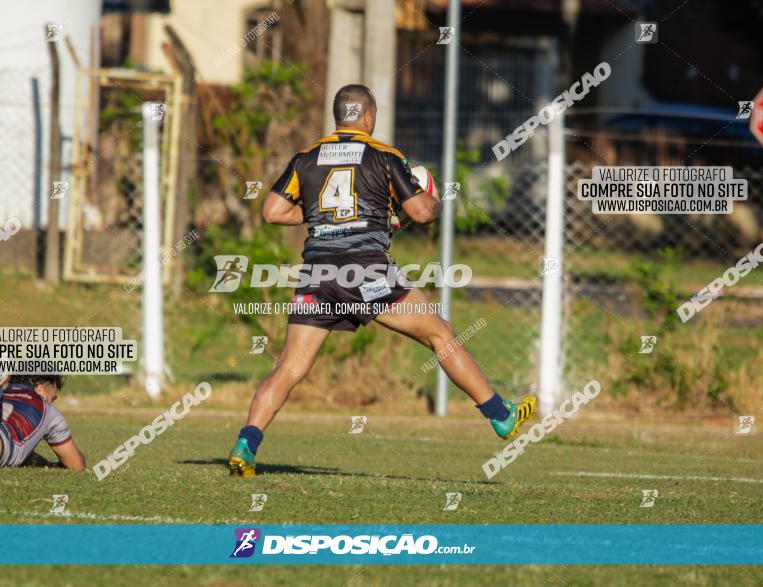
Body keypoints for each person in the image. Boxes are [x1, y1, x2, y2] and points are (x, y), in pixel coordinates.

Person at [227, 84, 535, 477]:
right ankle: (500, 416)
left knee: (289, 367)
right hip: (366, 270)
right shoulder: (384, 155)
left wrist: (328, 218)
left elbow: (272, 211)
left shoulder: (306, 157)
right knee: (439, 334)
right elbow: (421, 213)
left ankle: (245, 445)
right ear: (369, 116)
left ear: (338, 116)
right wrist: (434, 199)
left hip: (318, 272)